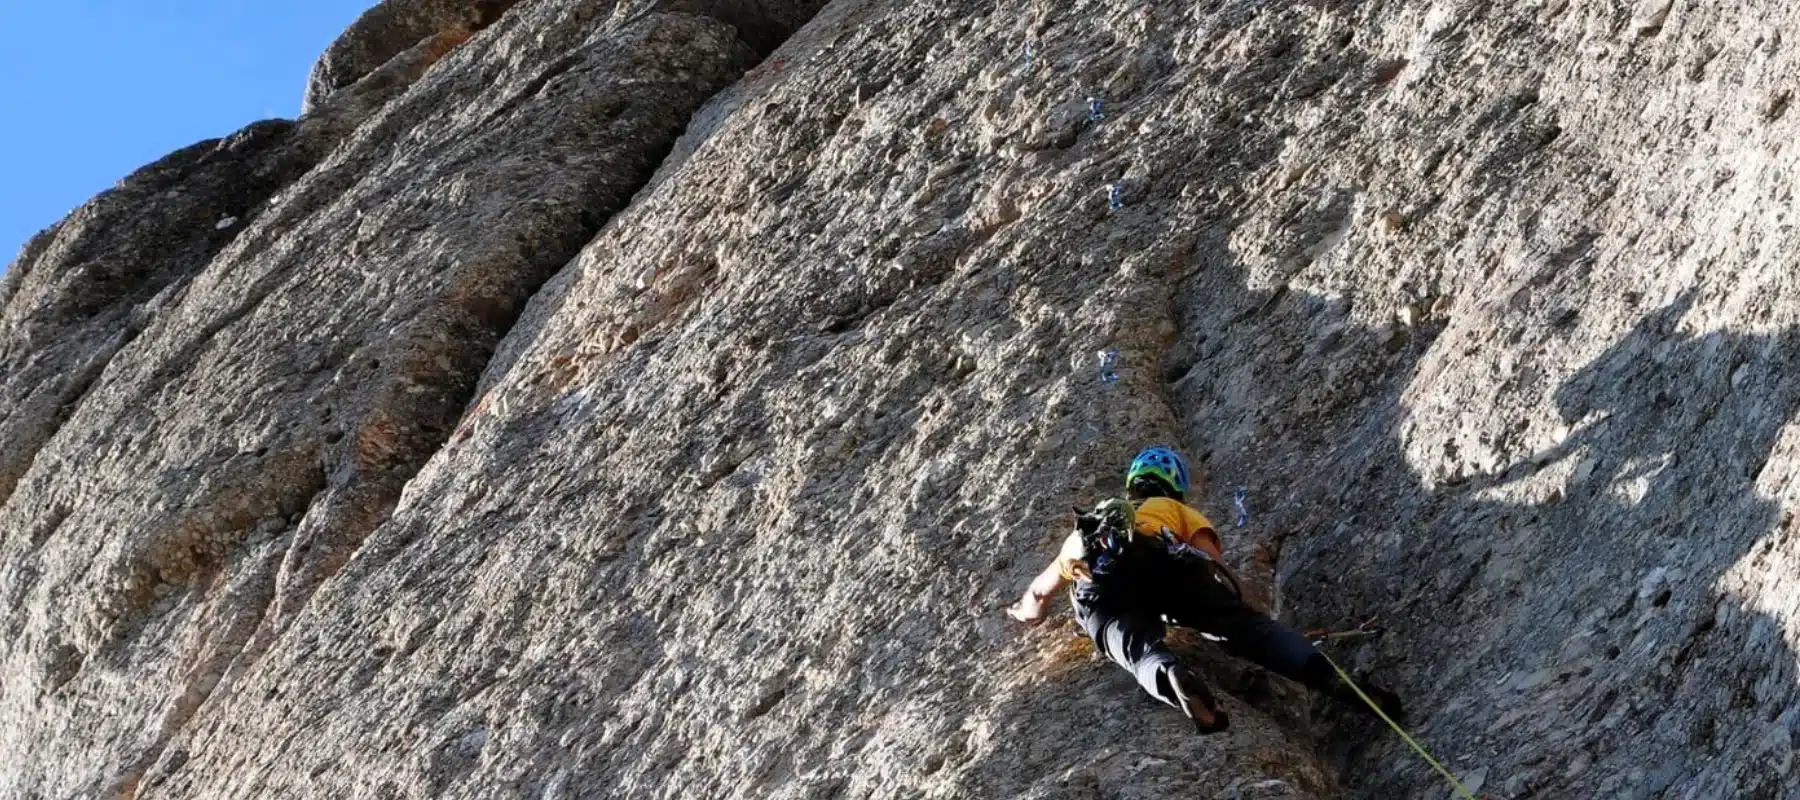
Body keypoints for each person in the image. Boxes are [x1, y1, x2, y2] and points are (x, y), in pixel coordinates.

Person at [1007, 446, 1404, 733]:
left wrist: (1024, 612)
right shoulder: (1174, 510)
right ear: (1174, 487)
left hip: (1101, 581)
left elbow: (1040, 594)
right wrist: (1239, 608)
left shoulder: (1087, 531)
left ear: (1130, 486)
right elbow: (1210, 560)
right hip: (1164, 564)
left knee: (1135, 648)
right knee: (1247, 631)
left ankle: (1172, 674)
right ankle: (1331, 679)